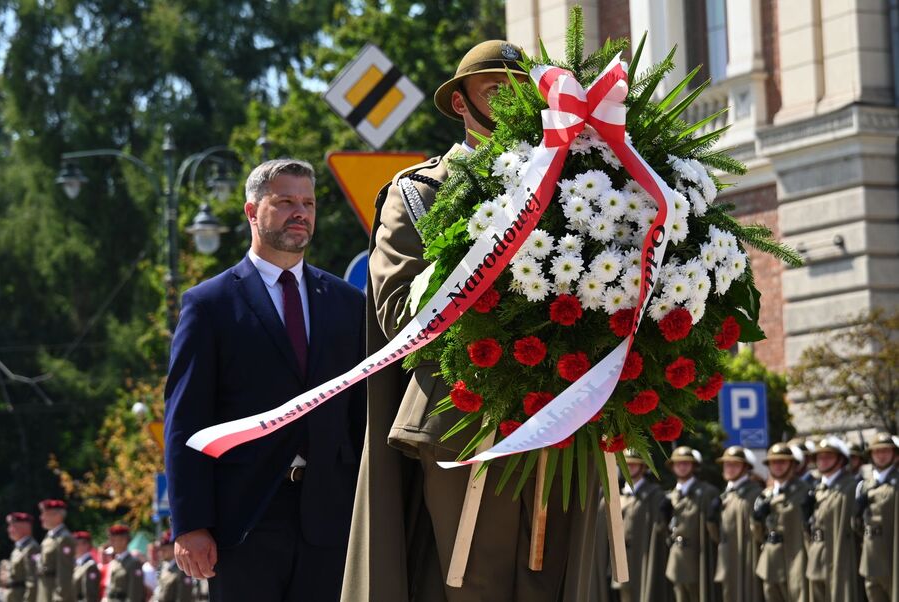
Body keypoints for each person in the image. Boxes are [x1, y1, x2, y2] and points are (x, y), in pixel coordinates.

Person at [344, 39, 605, 602]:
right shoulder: (417, 193)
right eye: (494, 89)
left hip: (559, 406)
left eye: (519, 91)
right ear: (460, 104)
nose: (511, 103)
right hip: (459, 410)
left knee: (552, 577)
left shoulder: (575, 182)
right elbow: (396, 310)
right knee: (471, 581)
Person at [164, 158, 366, 602]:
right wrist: (191, 524)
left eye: (309, 203)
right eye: (285, 201)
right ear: (252, 211)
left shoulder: (348, 304)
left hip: (330, 521)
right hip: (243, 522)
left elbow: (360, 417)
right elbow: (186, 423)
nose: (301, 213)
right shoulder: (209, 305)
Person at [751, 442, 812, 602]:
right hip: (770, 561)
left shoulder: (804, 490)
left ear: (792, 465)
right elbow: (758, 535)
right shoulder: (765, 494)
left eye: (782, 461)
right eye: (773, 462)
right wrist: (757, 518)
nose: (777, 466)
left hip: (795, 560)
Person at [611, 449, 670, 602]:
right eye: (626, 464)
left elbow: (661, 528)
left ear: (644, 467)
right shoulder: (618, 495)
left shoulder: (655, 495)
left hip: (643, 557)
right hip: (622, 560)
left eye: (634, 464)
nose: (629, 467)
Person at [662, 446, 719, 602]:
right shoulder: (670, 495)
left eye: (686, 463)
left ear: (694, 466)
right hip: (676, 558)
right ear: (673, 467)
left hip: (698, 557)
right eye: (678, 463)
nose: (682, 466)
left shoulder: (707, 492)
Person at [805, 436, 858, 602]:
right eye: (819, 457)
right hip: (817, 556)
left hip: (839, 555)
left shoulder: (850, 487)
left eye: (829, 456)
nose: (823, 460)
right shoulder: (818, 489)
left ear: (841, 460)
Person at [709, 446, 762, 602]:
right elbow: (718, 535)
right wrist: (711, 521)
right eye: (727, 464)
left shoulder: (754, 493)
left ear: (746, 468)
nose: (729, 468)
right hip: (727, 557)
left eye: (735, 464)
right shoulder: (725, 495)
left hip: (746, 558)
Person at [855, 432, 898, 602]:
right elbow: (858, 527)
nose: (881, 455)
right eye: (877, 451)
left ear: (894, 454)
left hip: (892, 558)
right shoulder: (864, 486)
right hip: (870, 559)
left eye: (885, 451)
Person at [36, 499, 74, 602]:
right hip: (45, 594)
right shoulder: (50, 537)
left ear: (57, 516)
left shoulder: (64, 539)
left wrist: (60, 598)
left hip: (54, 596)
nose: (41, 517)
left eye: (45, 514)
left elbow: (65, 574)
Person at [3, 512, 39, 602]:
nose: (9, 530)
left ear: (24, 527)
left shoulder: (31, 548)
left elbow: (33, 581)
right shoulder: (18, 548)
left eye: (13, 526)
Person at [101, 525, 142, 602]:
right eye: (110, 540)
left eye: (113, 540)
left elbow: (135, 594)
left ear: (124, 541)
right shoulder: (115, 562)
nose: (110, 543)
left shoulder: (133, 563)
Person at [151, 531, 192, 602]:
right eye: (159, 550)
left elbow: (183, 598)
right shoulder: (164, 566)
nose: (160, 553)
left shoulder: (182, 569)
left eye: (164, 550)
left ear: (174, 548)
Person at [71, 531, 99, 602]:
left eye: (76, 544)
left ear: (86, 545)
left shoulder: (90, 566)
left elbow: (90, 595)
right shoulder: (79, 564)